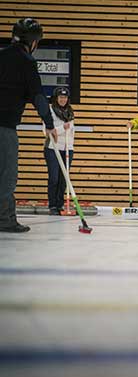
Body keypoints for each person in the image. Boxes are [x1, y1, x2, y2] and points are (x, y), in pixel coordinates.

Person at [0, 18, 57, 233]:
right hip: (4, 127)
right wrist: (49, 124)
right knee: (6, 175)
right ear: (33, 42)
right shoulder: (26, 61)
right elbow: (38, 96)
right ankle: (5, 220)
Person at [43, 87, 75, 215]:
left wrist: (70, 146)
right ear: (56, 98)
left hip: (67, 148)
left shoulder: (70, 112)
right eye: (61, 97)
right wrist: (62, 128)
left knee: (63, 179)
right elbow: (48, 131)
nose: (63, 100)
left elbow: (71, 131)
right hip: (52, 148)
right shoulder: (49, 111)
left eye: (65, 97)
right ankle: (53, 206)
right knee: (54, 178)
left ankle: (60, 204)